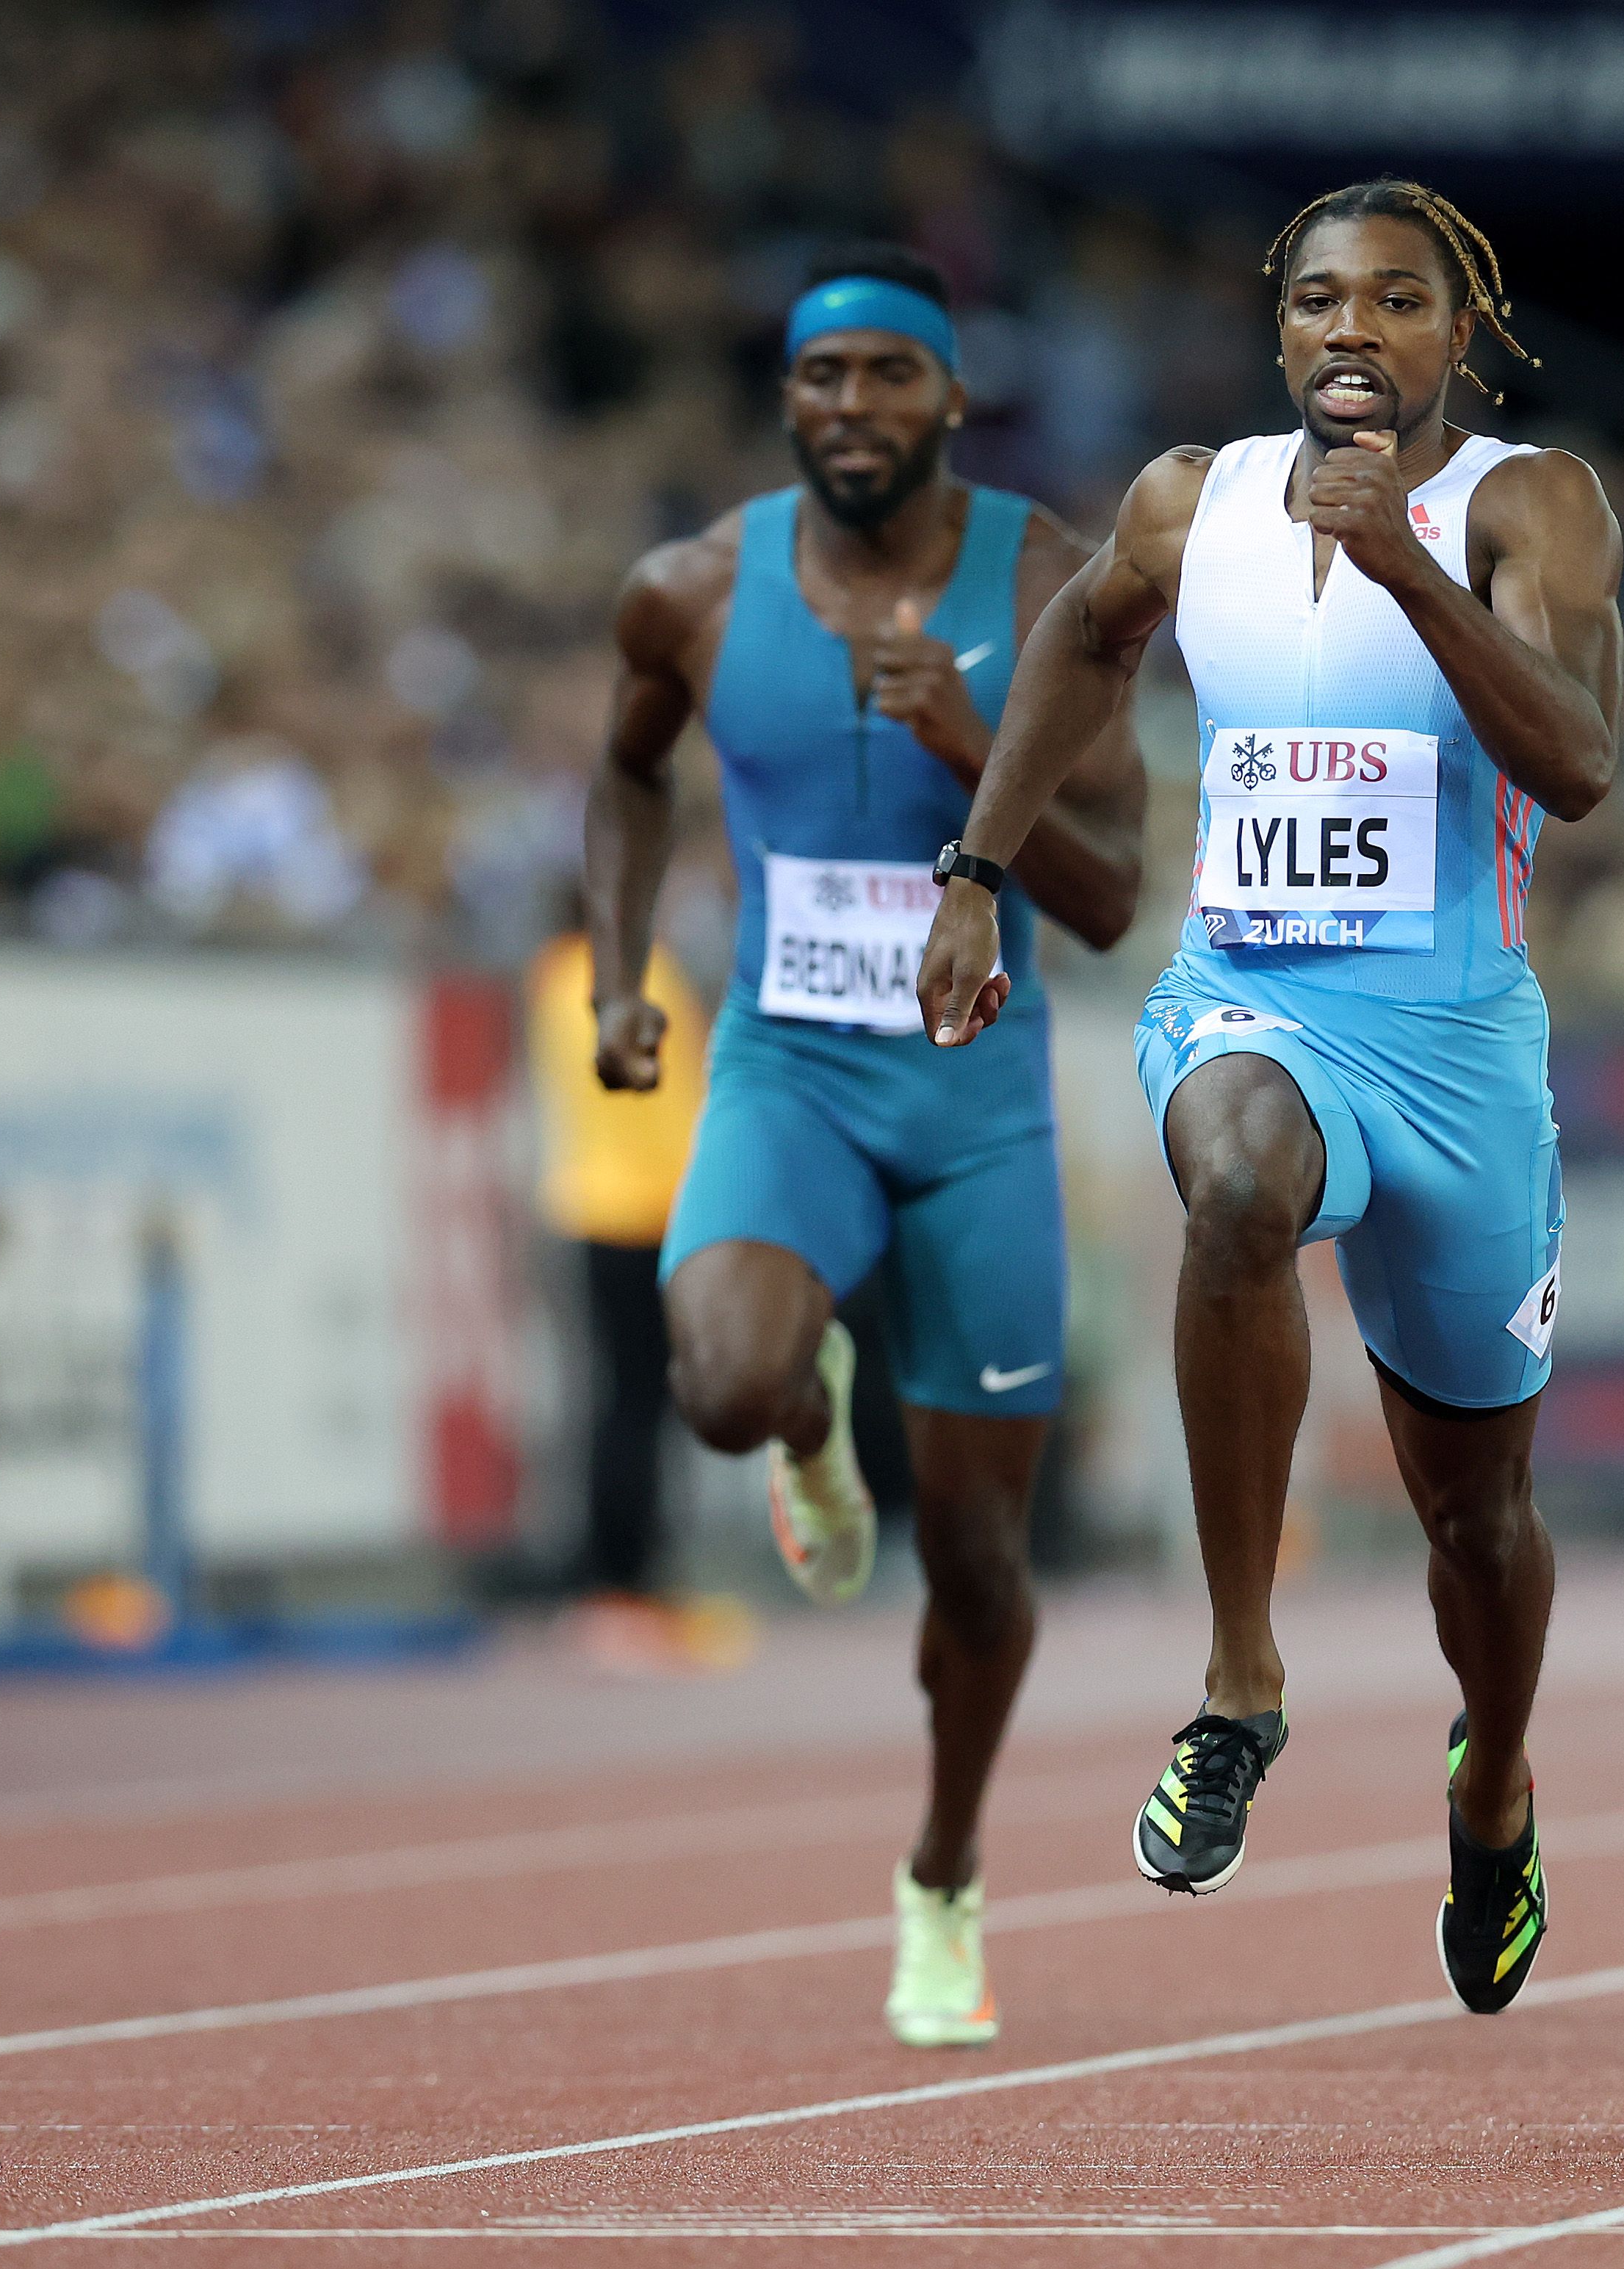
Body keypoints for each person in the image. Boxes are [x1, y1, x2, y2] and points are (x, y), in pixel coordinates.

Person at [917, 178, 1621, 2017]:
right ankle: (1242, 1683)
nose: (1352, 333)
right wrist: (976, 874)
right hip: (1248, 991)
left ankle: (1497, 1782)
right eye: (1319, 302)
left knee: (1479, 1517)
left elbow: (1582, 758)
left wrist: (1400, 561)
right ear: (1279, 327)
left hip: (1459, 1045)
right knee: (1232, 1181)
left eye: (1398, 302)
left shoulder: (1524, 504)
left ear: (1456, 334)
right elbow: (1084, 637)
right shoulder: (1190, 499)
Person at [582, 243, 1147, 2048]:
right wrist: (615, 975)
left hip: (974, 1108)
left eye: (891, 376)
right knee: (728, 1383)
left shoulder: (1051, 583)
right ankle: (812, 1420)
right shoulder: (687, 587)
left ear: (952, 398)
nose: (852, 409)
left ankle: (945, 1877)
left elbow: (1116, 897)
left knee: (978, 1562)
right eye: (823, 380)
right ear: (788, 401)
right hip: (789, 1074)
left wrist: (969, 735)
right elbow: (626, 770)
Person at [520, 916, 748, 1672]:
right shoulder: (648, 973)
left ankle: (622, 1579)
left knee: (622, 1399)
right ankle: (623, 1582)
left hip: (587, 1202)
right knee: (638, 1403)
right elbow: (670, 1099)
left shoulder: (559, 972)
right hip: (646, 1210)